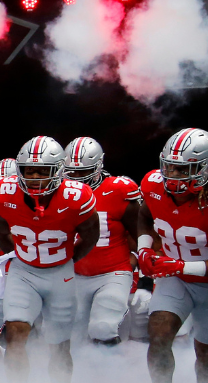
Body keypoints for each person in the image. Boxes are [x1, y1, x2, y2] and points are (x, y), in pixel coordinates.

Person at [138, 128, 208, 383]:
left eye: (183, 169)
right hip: (174, 279)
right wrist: (144, 247)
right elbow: (145, 215)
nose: (173, 175)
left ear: (206, 168)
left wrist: (181, 266)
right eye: (170, 167)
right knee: (158, 334)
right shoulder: (154, 185)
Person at [0, 136, 100, 383]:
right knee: (15, 334)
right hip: (23, 271)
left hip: (60, 272)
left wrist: (69, 259)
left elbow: (91, 235)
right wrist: (16, 253)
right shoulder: (3, 192)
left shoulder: (77, 196)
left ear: (59, 171)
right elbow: (0, 227)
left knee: (59, 343)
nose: (35, 178)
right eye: (29, 171)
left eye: (43, 171)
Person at [64, 137, 143, 346]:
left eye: (83, 172)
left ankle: (110, 372)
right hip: (75, 274)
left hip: (113, 272)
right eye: (71, 172)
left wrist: (136, 260)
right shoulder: (57, 192)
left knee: (103, 326)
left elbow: (140, 233)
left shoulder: (119, 190)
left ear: (99, 166)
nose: (77, 178)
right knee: (71, 335)